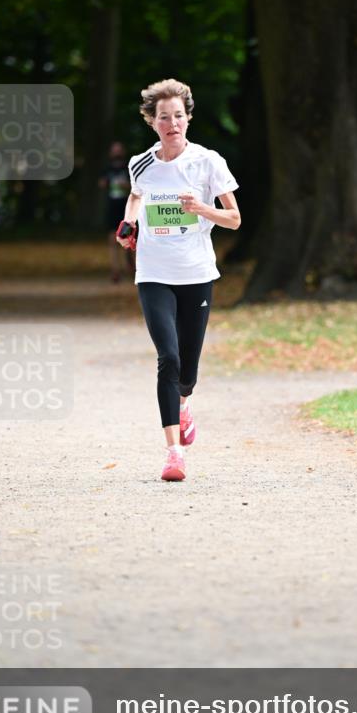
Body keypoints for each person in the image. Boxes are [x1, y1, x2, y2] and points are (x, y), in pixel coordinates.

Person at [116, 79, 240, 482]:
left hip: (197, 274)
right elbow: (136, 196)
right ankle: (173, 454)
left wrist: (201, 207)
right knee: (167, 358)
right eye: (164, 117)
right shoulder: (141, 163)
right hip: (153, 273)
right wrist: (128, 224)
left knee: (187, 369)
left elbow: (234, 219)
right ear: (152, 122)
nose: (173, 123)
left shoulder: (208, 162)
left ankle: (184, 403)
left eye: (179, 116)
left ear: (188, 118)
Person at [99, 141, 134, 282]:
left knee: (128, 238)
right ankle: (115, 270)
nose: (116, 153)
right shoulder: (107, 169)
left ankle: (131, 266)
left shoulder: (129, 168)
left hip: (127, 207)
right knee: (113, 239)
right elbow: (101, 184)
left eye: (119, 150)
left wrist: (126, 185)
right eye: (114, 150)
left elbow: (136, 187)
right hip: (112, 206)